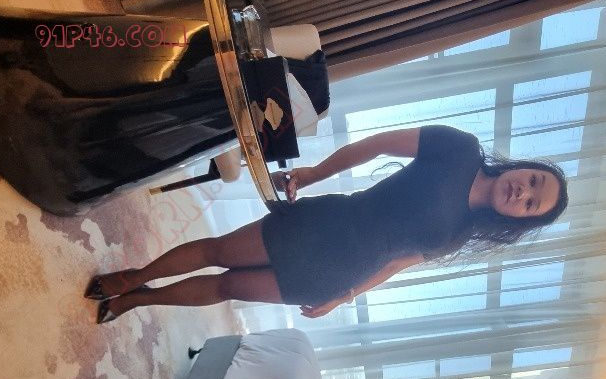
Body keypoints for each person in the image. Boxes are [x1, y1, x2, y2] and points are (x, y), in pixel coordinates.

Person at [84, 125, 568, 323]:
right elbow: (377, 145)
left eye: (531, 204)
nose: (523, 193)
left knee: (229, 287)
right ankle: (136, 276)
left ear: (519, 220)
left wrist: (345, 295)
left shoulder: (460, 234)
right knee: (218, 252)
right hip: (330, 221)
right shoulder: (460, 148)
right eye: (532, 181)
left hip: (340, 270)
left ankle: (137, 300)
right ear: (522, 167)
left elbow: (397, 263)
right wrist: (314, 173)